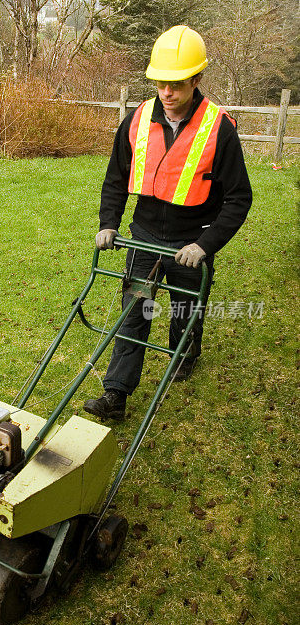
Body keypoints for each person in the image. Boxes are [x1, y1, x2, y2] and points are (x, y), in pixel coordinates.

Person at [83, 25, 252, 421]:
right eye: (160, 82)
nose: (167, 92)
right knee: (135, 310)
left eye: (176, 83)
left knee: (184, 309)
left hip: (190, 240)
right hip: (144, 236)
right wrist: (110, 222)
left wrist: (205, 245)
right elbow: (114, 179)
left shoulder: (219, 128)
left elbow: (239, 199)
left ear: (196, 78)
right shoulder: (137, 120)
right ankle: (116, 395)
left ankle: (186, 352)